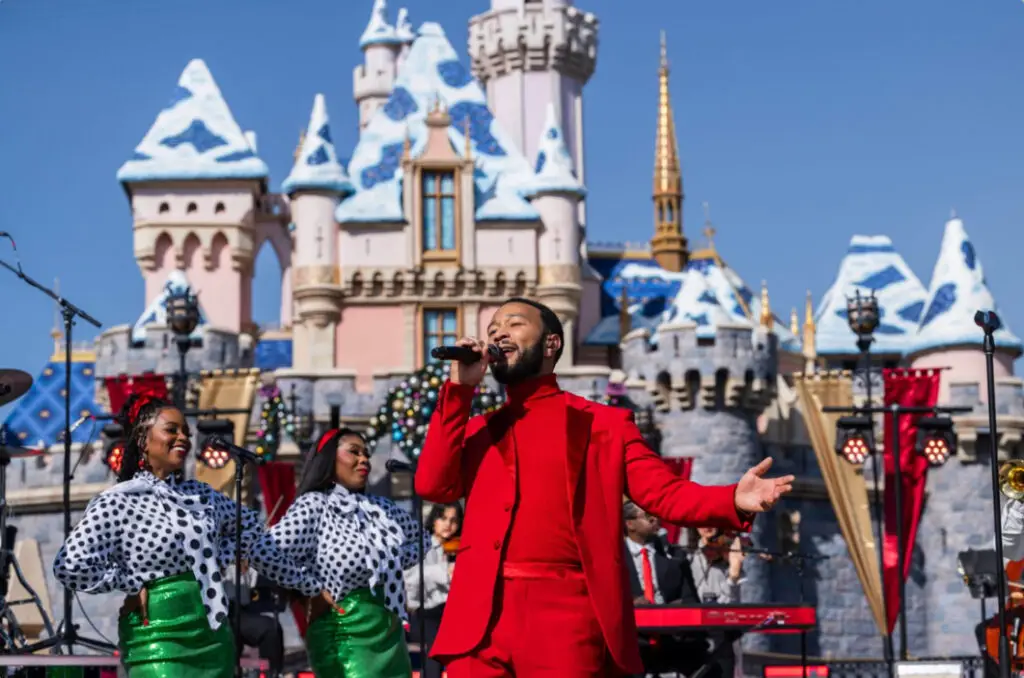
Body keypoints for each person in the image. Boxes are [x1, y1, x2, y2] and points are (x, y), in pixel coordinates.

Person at [415, 297, 795, 677]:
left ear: (551, 344)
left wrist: (733, 499)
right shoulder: (479, 430)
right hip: (480, 623)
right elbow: (433, 485)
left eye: (513, 324)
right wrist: (459, 393)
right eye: (493, 328)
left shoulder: (603, 425)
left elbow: (664, 493)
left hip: (566, 619)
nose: (498, 332)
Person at [52, 394, 320, 678]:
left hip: (212, 639)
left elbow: (256, 538)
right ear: (143, 440)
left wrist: (309, 586)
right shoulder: (119, 501)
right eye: (172, 430)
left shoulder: (202, 496)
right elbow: (70, 565)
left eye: (186, 433)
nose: (183, 438)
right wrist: (129, 581)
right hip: (157, 639)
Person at [269, 427, 430, 678]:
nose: (364, 458)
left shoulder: (380, 508)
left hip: (389, 633)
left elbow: (423, 540)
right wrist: (311, 588)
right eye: (354, 452)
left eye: (366, 453)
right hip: (342, 633)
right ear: (330, 458)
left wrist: (388, 563)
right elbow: (267, 551)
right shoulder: (315, 505)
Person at [622, 502, 708, 678]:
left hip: (671, 636)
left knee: (715, 654)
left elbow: (690, 601)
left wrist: (673, 610)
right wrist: (631, 603)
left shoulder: (675, 557)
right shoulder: (614, 558)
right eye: (648, 517)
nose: (655, 520)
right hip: (632, 638)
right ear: (629, 524)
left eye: (656, 516)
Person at [405, 502, 463, 678]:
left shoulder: (460, 546)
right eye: (443, 518)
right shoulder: (421, 545)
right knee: (434, 646)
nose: (448, 525)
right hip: (426, 611)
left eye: (454, 520)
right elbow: (410, 580)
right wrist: (442, 572)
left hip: (453, 611)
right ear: (433, 520)